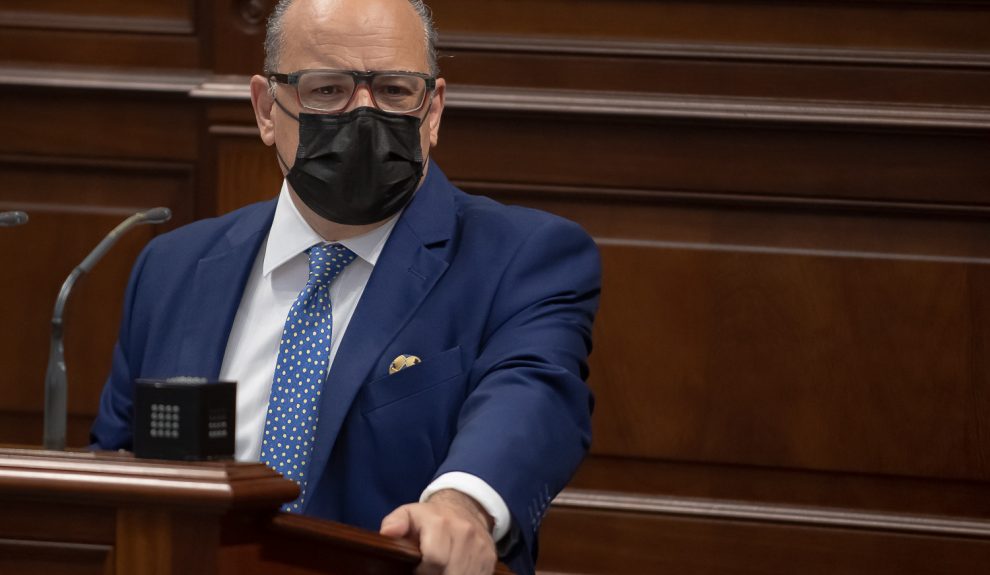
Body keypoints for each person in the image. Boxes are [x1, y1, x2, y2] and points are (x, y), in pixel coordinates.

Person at [89, 0, 600, 573]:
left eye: (394, 91)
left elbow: (533, 395)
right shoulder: (174, 266)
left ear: (432, 110)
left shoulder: (520, 258)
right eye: (327, 90)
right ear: (265, 108)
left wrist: (462, 504)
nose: (364, 115)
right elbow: (115, 470)